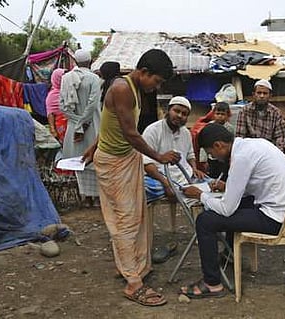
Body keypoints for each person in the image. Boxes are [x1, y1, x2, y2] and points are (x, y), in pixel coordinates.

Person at [82, 49, 181, 307]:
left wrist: (95, 145)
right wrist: (158, 156)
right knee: (124, 222)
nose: (155, 87)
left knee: (136, 217)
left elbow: (110, 123)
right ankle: (133, 283)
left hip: (125, 159)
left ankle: (132, 266)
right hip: (115, 163)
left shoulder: (134, 89)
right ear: (144, 72)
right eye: (157, 81)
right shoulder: (122, 88)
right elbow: (130, 133)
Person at [179, 123, 285, 299]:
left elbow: (227, 209)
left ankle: (212, 283)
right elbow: (258, 182)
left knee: (205, 221)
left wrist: (200, 195)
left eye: (211, 153)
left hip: (279, 220)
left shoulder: (241, 158)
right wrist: (229, 186)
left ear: (218, 145)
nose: (212, 157)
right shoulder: (253, 144)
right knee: (240, 203)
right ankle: (230, 255)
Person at [142, 96, 205, 202]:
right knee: (142, 187)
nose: (180, 116)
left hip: (184, 176)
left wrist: (194, 169)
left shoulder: (186, 133)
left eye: (184, 114)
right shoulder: (152, 130)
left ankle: (181, 190)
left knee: (210, 183)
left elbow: (190, 155)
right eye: (176, 111)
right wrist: (167, 185)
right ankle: (182, 191)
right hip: (159, 178)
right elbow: (147, 164)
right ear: (168, 110)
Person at [60, 49, 102, 208]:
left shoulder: (66, 78)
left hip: (73, 126)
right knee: (94, 160)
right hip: (92, 125)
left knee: (79, 161)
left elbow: (63, 107)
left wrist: (76, 123)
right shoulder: (94, 79)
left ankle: (86, 197)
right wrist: (83, 125)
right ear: (90, 61)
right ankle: (97, 197)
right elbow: (92, 105)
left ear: (75, 62)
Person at [235, 79, 285, 152]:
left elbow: (280, 137)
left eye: (265, 93)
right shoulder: (244, 111)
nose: (262, 96)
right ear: (253, 94)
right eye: (259, 93)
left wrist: (278, 153)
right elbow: (240, 136)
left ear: (270, 95)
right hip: (250, 151)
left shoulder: (276, 113)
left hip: (269, 151)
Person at [199, 101, 234, 179]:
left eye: (222, 114)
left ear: (228, 115)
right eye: (218, 114)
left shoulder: (229, 128)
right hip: (212, 159)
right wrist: (204, 160)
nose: (220, 116)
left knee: (224, 174)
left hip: (224, 158)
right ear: (213, 114)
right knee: (212, 175)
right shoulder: (209, 126)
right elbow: (204, 144)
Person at [46, 68, 67, 142]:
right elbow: (50, 113)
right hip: (61, 125)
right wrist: (53, 130)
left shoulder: (69, 91)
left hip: (71, 124)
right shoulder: (52, 95)